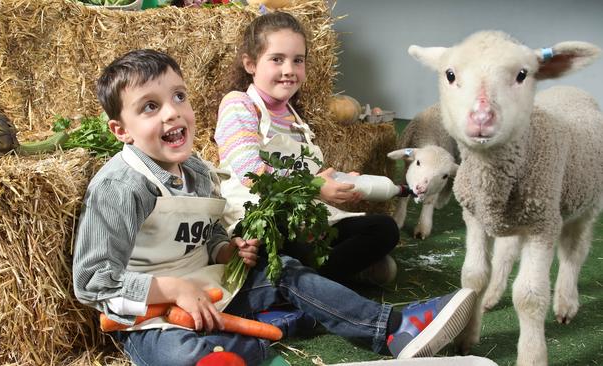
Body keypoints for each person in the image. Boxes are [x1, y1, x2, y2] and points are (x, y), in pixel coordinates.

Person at [72, 48, 477, 366]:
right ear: (121, 131)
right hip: (151, 313)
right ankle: (266, 331)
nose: (173, 111)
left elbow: (207, 228)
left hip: (211, 286)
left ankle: (391, 328)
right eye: (150, 106)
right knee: (179, 355)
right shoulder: (121, 188)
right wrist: (174, 290)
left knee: (285, 270)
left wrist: (226, 250)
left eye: (178, 96)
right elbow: (92, 282)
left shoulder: (195, 169)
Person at [215, 11, 400, 286]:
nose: (289, 69)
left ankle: (310, 278)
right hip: (258, 218)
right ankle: (326, 277)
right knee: (273, 233)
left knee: (384, 229)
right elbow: (251, 174)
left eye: (297, 60)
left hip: (303, 222)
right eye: (277, 59)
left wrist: (338, 184)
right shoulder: (239, 104)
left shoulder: (297, 118)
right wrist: (315, 186)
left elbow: (308, 177)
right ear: (250, 64)